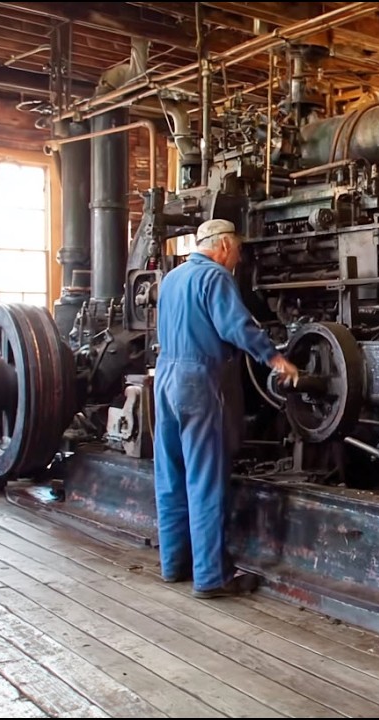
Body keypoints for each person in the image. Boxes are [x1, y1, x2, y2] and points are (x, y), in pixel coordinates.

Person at [153, 218, 300, 599]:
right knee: (205, 478)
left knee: (171, 476)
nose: (237, 258)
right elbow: (236, 326)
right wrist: (274, 358)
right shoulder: (215, 278)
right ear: (221, 247)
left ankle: (173, 565)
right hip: (199, 380)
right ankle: (211, 577)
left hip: (165, 378)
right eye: (237, 250)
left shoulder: (171, 279)